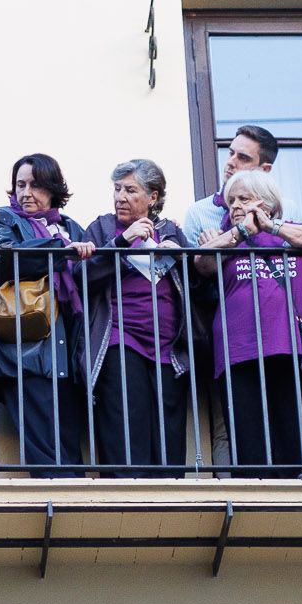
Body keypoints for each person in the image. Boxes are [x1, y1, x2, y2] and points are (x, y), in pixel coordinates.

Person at [77, 158, 196, 474]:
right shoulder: (102, 228)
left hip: (169, 348)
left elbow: (195, 281)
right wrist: (121, 241)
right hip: (120, 338)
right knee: (126, 425)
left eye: (130, 190)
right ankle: (126, 502)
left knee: (168, 434)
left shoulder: (170, 230)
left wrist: (177, 252)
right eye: (117, 189)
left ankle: (169, 506)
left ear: (153, 197)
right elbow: (81, 277)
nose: (120, 197)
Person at [0, 153, 92, 474]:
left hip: (67, 349)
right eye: (20, 185)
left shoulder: (70, 227)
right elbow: (4, 260)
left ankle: (77, 515)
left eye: (35, 185)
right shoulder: (2, 219)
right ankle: (60, 512)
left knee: (68, 443)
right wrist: (61, 250)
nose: (26, 193)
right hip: (25, 351)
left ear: (53, 189)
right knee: (45, 450)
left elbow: (92, 273)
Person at [200, 168, 302, 474]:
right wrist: (240, 232)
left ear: (267, 203)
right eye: (231, 200)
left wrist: (273, 228)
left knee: (292, 435)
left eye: (243, 198)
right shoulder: (224, 238)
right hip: (238, 349)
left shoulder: (292, 232)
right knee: (249, 445)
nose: (234, 205)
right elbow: (201, 261)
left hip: (290, 345)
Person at [182, 125, 279, 246]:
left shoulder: (286, 209)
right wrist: (210, 249)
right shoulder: (198, 213)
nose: (230, 162)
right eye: (231, 153)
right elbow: (190, 263)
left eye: (243, 158)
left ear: (264, 169)